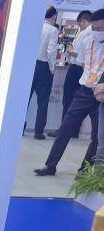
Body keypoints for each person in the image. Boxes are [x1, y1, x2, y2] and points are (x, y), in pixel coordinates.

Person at [35, 9, 104, 177]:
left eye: (100, 28)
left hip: (101, 95)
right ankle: (50, 165)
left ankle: (84, 171)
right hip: (85, 91)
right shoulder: (87, 41)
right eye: (94, 28)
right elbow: (82, 63)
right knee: (65, 128)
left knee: (97, 136)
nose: (96, 32)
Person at [48, 10, 92, 138]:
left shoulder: (85, 33)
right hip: (82, 70)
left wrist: (71, 51)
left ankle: (65, 130)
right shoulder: (90, 33)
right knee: (78, 101)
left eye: (80, 23)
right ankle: (74, 130)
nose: (79, 26)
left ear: (84, 21)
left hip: (76, 69)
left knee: (68, 100)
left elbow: (81, 54)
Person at [27, 6, 58, 140]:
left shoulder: (34, 27)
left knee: (25, 99)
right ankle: (38, 132)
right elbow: (51, 50)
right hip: (44, 66)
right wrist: (52, 68)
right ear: (53, 16)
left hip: (29, 65)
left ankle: (19, 128)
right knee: (43, 101)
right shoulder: (53, 30)